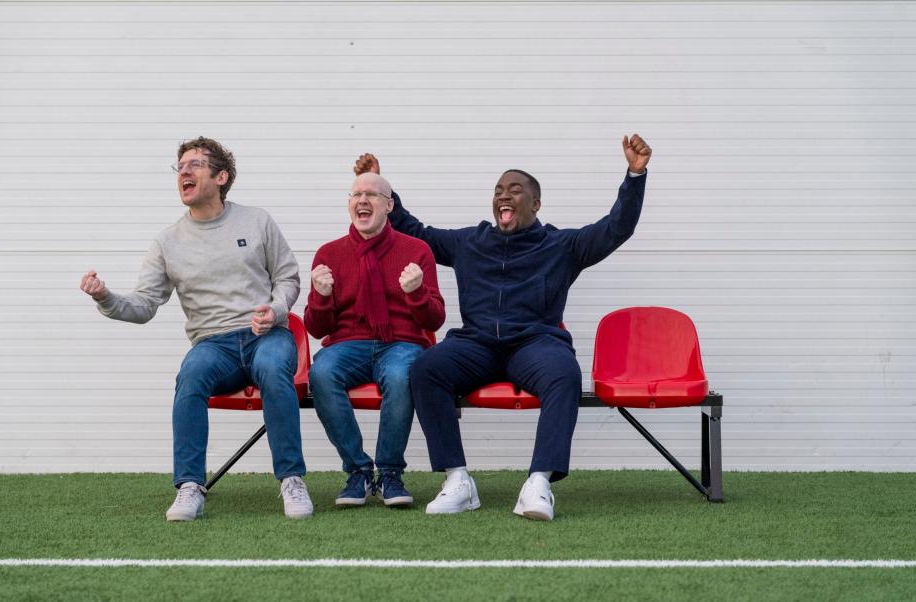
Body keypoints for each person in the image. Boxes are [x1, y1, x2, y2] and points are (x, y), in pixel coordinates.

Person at [353, 134, 652, 520]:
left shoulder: (561, 245)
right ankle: (458, 480)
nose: (503, 196)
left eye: (514, 190)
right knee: (427, 368)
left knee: (564, 374)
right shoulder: (470, 242)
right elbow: (417, 232)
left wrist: (635, 175)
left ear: (536, 203)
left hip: (534, 343)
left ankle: (538, 483)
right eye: (498, 190)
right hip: (476, 345)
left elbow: (616, 228)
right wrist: (383, 187)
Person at [78, 137, 312, 521]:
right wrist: (105, 297)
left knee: (273, 369)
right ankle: (189, 486)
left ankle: (291, 480)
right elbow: (143, 306)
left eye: (195, 165)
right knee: (190, 375)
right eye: (180, 166)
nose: (184, 172)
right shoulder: (167, 241)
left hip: (265, 335)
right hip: (213, 345)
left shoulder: (257, 220)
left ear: (221, 177)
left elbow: (287, 277)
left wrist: (277, 307)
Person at [305, 172, 445, 507]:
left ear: (389, 205)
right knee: (322, 372)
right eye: (356, 194)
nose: (362, 200)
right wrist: (322, 297)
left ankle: (390, 473)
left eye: (372, 194)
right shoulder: (329, 253)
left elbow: (435, 318)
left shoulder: (417, 250)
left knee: (401, 375)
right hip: (347, 344)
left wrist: (415, 294)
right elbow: (315, 327)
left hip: (401, 342)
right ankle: (358, 471)